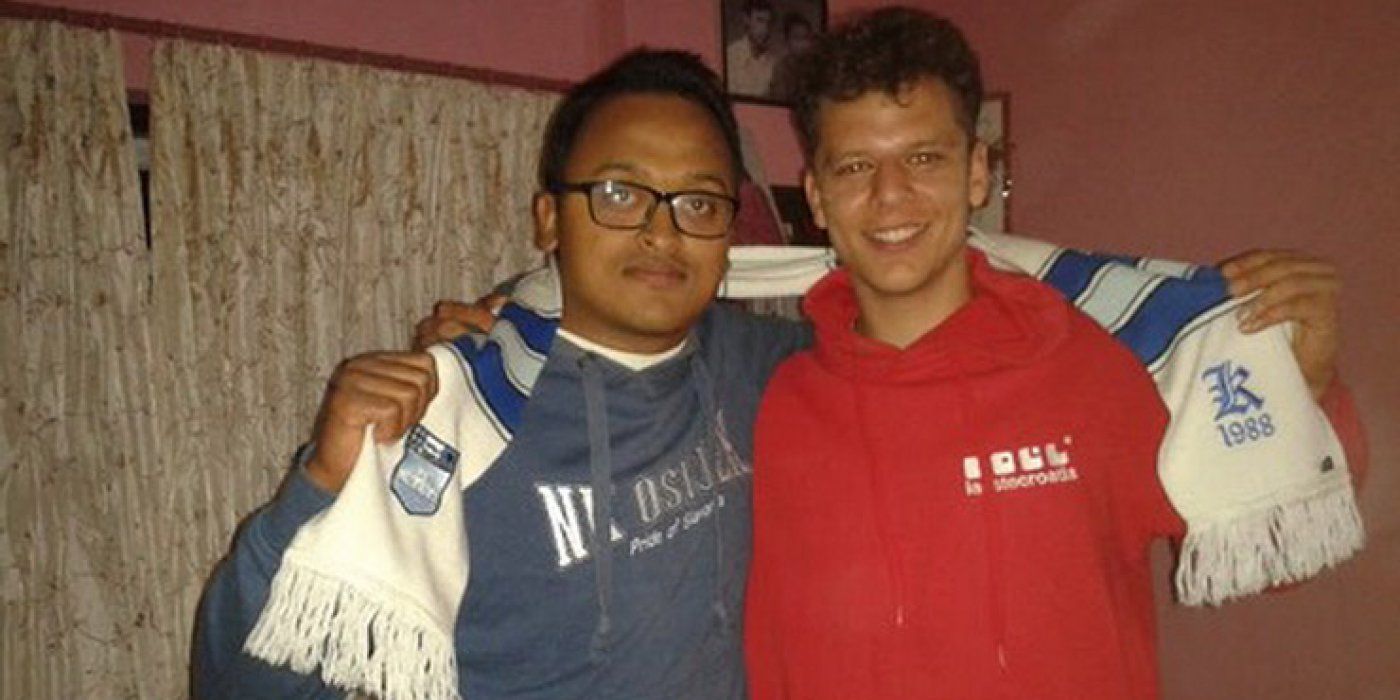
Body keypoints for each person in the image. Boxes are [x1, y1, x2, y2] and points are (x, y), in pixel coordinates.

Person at [194, 46, 1358, 700]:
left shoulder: (799, 362)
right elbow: (251, 678)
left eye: (696, 202)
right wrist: (322, 479)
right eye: (619, 193)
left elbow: (1257, 502)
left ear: (976, 174)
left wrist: (1298, 379)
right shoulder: (477, 410)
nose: (658, 232)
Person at [740, 7, 1364, 699]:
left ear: (977, 172)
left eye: (924, 158)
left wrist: (1306, 388)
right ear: (818, 197)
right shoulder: (764, 403)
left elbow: (1276, 553)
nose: (890, 195)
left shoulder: (1105, 365)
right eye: (856, 166)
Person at [725, 0, 778, 97]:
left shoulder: (774, 63)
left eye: (769, 23)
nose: (765, 29)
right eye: (760, 20)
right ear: (746, 20)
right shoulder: (730, 57)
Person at [768, 11, 817, 102]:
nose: (802, 44)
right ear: (787, 41)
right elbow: (779, 100)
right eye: (797, 38)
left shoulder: (815, 66)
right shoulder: (781, 69)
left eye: (806, 38)